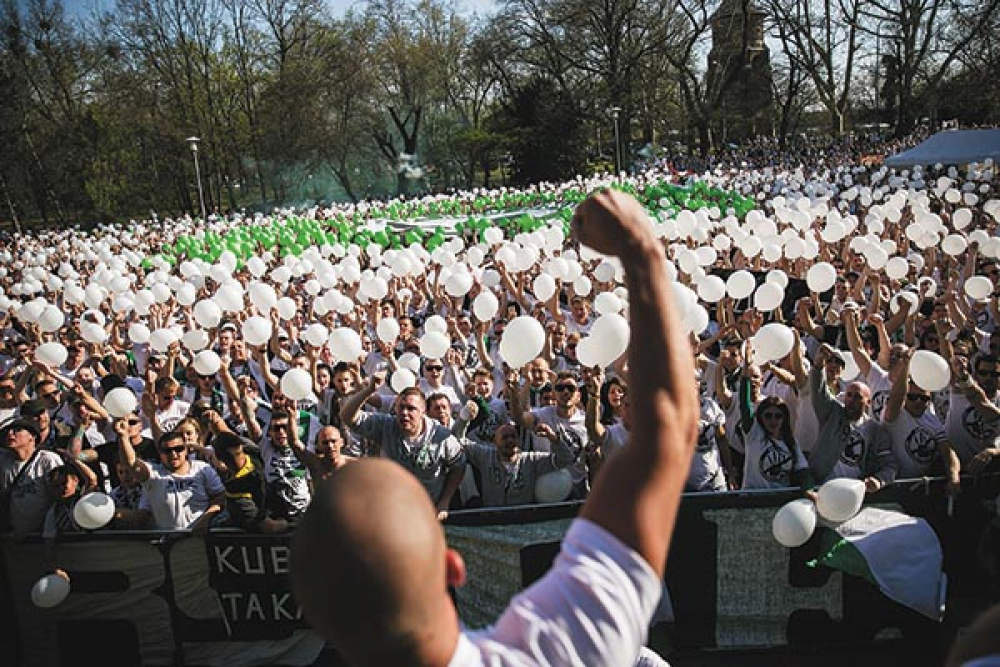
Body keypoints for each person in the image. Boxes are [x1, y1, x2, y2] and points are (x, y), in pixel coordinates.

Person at [291, 189, 698, 665]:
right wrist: (642, 253)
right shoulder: (558, 648)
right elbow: (668, 431)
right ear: (452, 567)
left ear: (320, 622)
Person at [340, 382, 466, 519]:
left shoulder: (441, 436)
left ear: (423, 411)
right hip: (392, 509)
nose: (405, 413)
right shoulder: (385, 425)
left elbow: (459, 466)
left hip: (428, 510)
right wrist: (369, 390)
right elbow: (347, 417)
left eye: (411, 408)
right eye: (401, 407)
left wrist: (445, 501)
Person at [809, 343, 896, 492]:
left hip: (853, 492)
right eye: (849, 395)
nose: (851, 400)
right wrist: (817, 366)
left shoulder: (875, 431)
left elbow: (890, 465)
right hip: (822, 486)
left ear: (868, 402)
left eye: (857, 397)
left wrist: (879, 480)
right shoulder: (832, 413)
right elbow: (819, 392)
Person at [118, 423, 226, 531]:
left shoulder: (202, 469)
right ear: (160, 453)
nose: (173, 454)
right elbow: (131, 463)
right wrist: (123, 436)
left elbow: (220, 496)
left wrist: (206, 518)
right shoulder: (153, 474)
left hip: (199, 536)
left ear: (186, 449)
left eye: (178, 449)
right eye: (167, 451)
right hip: (167, 538)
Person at [1, 419, 64, 535]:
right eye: (7, 432)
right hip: (11, 536)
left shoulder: (47, 460)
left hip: (42, 535)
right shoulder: (4, 459)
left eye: (17, 430)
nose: (10, 434)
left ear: (32, 436)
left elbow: (58, 498)